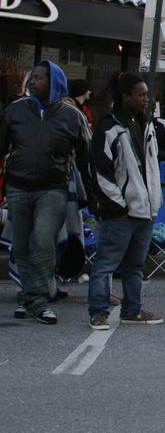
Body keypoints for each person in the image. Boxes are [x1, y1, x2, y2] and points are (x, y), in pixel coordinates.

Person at [0, 61, 93, 324]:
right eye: (32, 77)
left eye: (39, 78)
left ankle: (39, 302)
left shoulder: (72, 116)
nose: (32, 82)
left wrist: (93, 198)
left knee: (43, 241)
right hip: (18, 187)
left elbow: (86, 159)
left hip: (52, 189)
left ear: (54, 83)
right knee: (22, 245)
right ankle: (27, 297)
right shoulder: (14, 110)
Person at [88, 72, 164, 329]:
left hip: (145, 211)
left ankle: (132, 310)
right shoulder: (108, 127)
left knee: (135, 265)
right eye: (141, 94)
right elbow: (99, 171)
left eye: (147, 94)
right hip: (120, 212)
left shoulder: (146, 125)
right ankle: (98, 312)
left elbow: (152, 165)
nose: (147, 99)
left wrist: (155, 201)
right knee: (105, 264)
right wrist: (117, 205)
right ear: (125, 97)